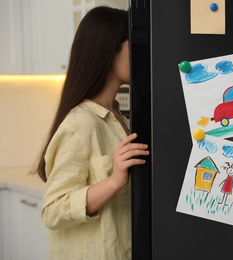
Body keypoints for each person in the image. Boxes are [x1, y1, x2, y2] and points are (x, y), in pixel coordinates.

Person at [31, 6, 149, 259]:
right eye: (134, 44)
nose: (143, 53)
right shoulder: (80, 124)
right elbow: (51, 212)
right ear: (110, 50)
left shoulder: (117, 116)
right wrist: (114, 180)